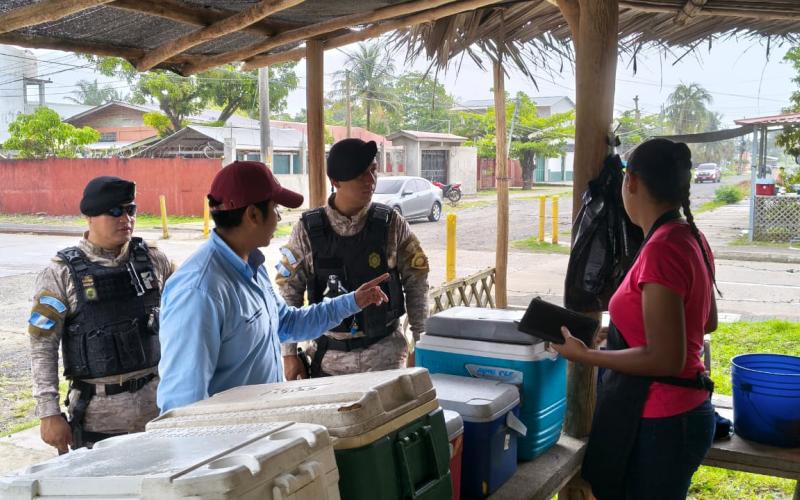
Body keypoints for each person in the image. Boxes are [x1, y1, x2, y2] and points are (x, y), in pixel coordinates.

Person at [553, 139, 719, 500]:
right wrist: (615, 332)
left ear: (631, 182)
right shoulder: (691, 237)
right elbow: (705, 322)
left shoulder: (661, 249)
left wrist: (586, 356)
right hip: (683, 412)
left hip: (661, 421)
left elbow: (666, 358)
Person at [156, 161, 391, 413]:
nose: (279, 218)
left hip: (261, 423)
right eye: (275, 208)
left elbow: (287, 324)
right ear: (253, 215)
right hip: (231, 433)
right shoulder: (200, 290)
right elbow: (182, 403)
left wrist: (353, 301)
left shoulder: (252, 266)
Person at [28, 176, 174, 453]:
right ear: (90, 217)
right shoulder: (60, 273)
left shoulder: (154, 260)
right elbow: (42, 345)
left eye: (130, 210)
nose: (126, 219)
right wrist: (48, 413)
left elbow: (182, 319)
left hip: (159, 410)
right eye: (115, 212)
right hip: (98, 420)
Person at [276, 138, 430, 379]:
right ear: (335, 181)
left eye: (373, 170)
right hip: (329, 361)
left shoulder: (391, 224)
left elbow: (417, 283)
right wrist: (289, 354)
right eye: (360, 175)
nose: (371, 180)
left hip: (386, 359)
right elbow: (289, 291)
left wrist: (420, 344)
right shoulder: (307, 230)